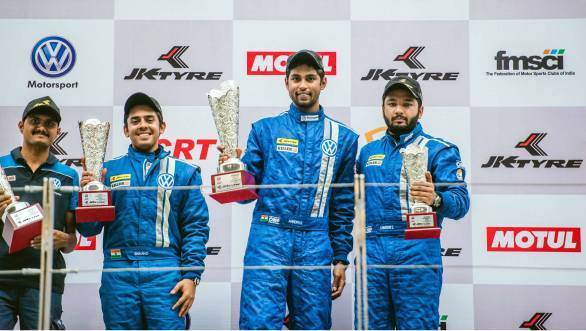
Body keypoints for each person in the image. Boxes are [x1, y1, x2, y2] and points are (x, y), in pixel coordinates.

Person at [220, 50, 358, 329]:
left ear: (323, 82)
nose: (303, 84)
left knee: (313, 324)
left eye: (310, 77)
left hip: (315, 240)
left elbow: (343, 205)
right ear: (286, 83)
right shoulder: (265, 129)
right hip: (269, 237)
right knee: (258, 323)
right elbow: (246, 196)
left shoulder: (343, 137)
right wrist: (233, 172)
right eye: (295, 78)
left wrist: (341, 257)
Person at [76, 92, 209, 329]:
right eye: (135, 121)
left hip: (165, 272)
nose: (143, 125)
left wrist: (191, 275)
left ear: (162, 127)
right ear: (126, 130)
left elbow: (195, 228)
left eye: (149, 119)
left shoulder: (184, 172)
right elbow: (88, 229)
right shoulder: (107, 171)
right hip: (119, 272)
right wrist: (88, 194)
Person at [355, 76, 470, 329]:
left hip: (416, 249)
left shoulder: (440, 150)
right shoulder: (367, 153)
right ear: (383, 108)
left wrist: (436, 198)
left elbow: (461, 202)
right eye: (392, 103)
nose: (398, 110)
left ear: (420, 109)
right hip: (372, 254)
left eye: (407, 104)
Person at [0, 96, 78, 329]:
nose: (42, 127)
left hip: (44, 282)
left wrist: (65, 239)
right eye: (35, 120)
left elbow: (71, 241)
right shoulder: (0, 168)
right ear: (21, 125)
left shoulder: (68, 176)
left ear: (58, 131)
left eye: (49, 123)